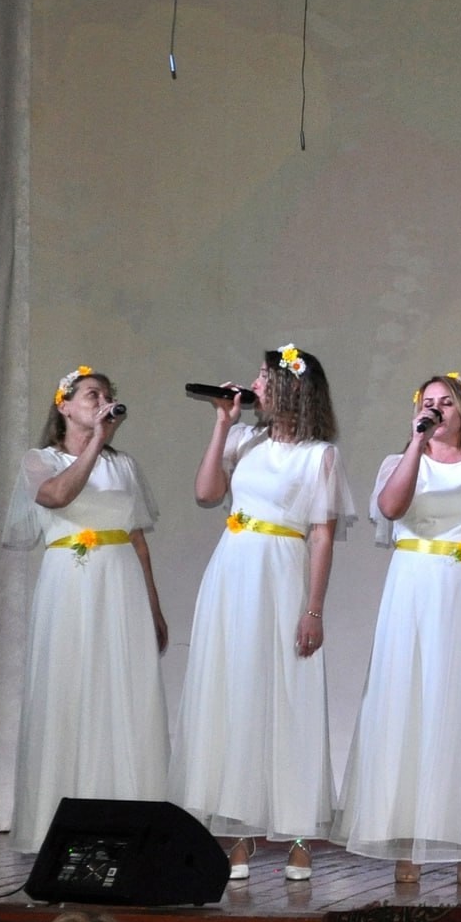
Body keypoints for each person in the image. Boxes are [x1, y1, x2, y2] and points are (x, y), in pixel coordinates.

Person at [333, 372, 461, 885]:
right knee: (410, 707)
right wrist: (415, 445)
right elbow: (390, 508)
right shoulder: (401, 462)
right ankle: (409, 842)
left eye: (446, 402)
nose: (437, 408)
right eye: (428, 402)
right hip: (413, 594)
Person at [169, 343, 355, 882]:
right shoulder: (243, 440)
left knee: (289, 696)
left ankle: (298, 833)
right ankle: (239, 829)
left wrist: (313, 609)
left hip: (282, 574)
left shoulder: (319, 456)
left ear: (291, 388)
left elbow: (322, 536)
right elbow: (207, 493)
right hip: (233, 571)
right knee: (237, 693)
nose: (253, 386)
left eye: (263, 378)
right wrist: (221, 425)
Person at [3, 366, 169, 854]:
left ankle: (128, 823)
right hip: (70, 586)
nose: (102, 401)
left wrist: (154, 607)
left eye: (107, 395)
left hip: (120, 584)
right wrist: (96, 442)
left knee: (122, 696)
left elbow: (138, 540)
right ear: (64, 405)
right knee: (69, 692)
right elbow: (57, 496)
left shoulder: (125, 466)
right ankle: (58, 826)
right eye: (92, 394)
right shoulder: (41, 461)